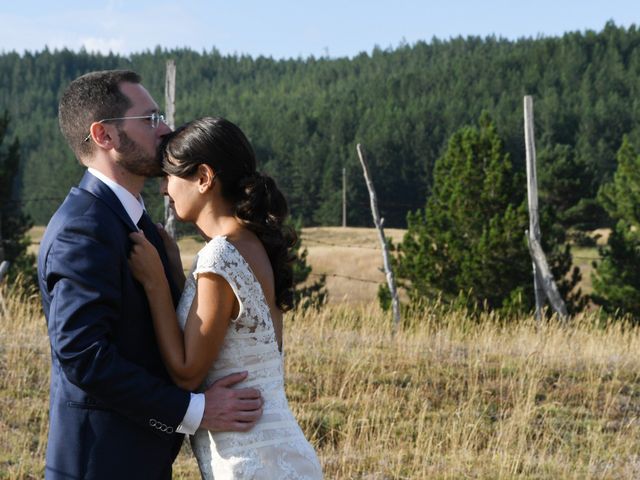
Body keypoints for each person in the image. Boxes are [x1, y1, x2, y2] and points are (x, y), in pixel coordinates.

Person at [37, 71, 263, 480]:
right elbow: (84, 357)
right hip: (100, 465)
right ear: (104, 135)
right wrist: (194, 410)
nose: (167, 129)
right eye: (151, 119)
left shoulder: (138, 225)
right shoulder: (83, 228)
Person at [128, 116, 323, 478]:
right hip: (273, 451)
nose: (163, 190)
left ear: (203, 178)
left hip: (250, 462)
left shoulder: (220, 256)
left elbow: (187, 374)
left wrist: (156, 283)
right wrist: (173, 267)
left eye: (171, 175)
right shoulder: (250, 243)